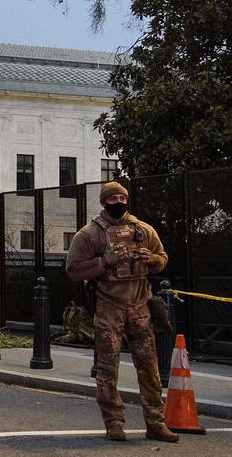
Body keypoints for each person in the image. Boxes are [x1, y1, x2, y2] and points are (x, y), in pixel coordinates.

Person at [65, 181, 177, 443]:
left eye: (121, 197)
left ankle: (156, 422)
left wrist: (152, 260)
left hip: (140, 306)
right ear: (104, 203)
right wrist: (104, 262)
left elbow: (162, 258)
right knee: (107, 369)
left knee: (149, 368)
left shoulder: (143, 230)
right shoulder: (90, 234)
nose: (118, 202)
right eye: (112, 199)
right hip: (109, 306)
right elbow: (72, 270)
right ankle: (114, 423)